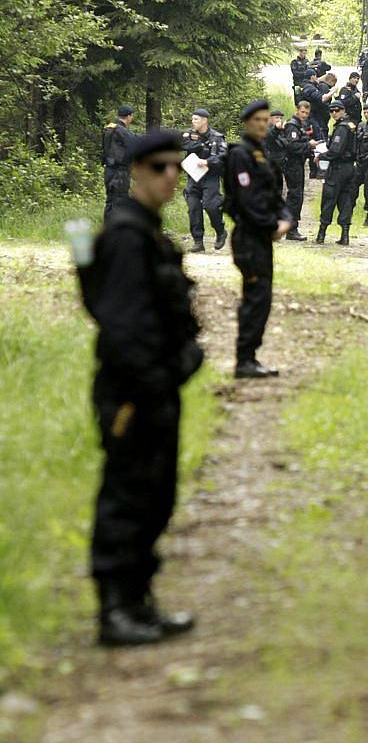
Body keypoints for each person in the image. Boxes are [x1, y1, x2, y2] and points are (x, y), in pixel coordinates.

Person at [78, 130, 204, 646]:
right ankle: (115, 610)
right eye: (159, 167)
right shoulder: (127, 235)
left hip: (156, 388)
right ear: (136, 171)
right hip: (133, 391)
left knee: (157, 495)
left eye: (176, 166)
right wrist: (154, 378)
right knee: (128, 493)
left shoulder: (148, 231)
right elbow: (120, 323)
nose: (170, 175)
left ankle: (140, 600)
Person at [224, 100, 293, 378]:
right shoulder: (240, 155)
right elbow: (246, 201)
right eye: (258, 120)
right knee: (255, 297)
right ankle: (244, 359)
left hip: (262, 237)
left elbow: (275, 195)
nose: (263, 124)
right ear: (247, 123)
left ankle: (250, 357)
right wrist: (271, 225)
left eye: (266, 120)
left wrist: (286, 218)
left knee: (262, 297)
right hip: (250, 236)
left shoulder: (262, 154)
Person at [181, 108, 228, 253]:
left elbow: (223, 156)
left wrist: (207, 162)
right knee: (193, 207)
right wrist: (200, 145)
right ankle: (198, 241)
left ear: (204, 120)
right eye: (192, 119)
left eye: (196, 119)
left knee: (211, 205)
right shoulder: (189, 135)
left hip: (210, 177)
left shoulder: (217, 137)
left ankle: (220, 231)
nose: (193, 121)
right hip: (194, 177)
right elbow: (183, 144)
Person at [315, 100, 357, 246]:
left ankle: (321, 234)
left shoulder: (342, 128)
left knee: (329, 198)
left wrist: (321, 156)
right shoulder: (350, 125)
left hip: (339, 168)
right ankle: (345, 235)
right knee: (345, 201)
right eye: (331, 111)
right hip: (349, 168)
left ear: (343, 111)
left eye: (337, 110)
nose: (334, 113)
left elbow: (335, 151)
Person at [283, 100, 317, 241]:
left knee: (297, 195)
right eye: (302, 112)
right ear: (297, 110)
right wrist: (308, 145)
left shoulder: (301, 125)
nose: (304, 115)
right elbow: (292, 146)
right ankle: (291, 229)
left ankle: (291, 227)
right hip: (292, 164)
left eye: (306, 113)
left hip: (298, 163)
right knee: (295, 196)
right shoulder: (292, 126)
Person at [101, 104, 137, 219]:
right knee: (120, 201)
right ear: (129, 116)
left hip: (109, 170)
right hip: (120, 172)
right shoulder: (121, 130)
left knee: (110, 201)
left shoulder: (108, 128)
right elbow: (135, 144)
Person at [301, 68, 337, 138]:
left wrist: (327, 76)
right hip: (311, 117)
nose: (317, 78)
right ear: (312, 77)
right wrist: (333, 91)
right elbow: (322, 99)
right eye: (315, 76)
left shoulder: (305, 85)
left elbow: (317, 80)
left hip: (308, 116)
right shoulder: (310, 87)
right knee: (318, 137)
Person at [263, 109, 287, 186]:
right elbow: (270, 137)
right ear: (270, 119)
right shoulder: (266, 129)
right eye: (277, 118)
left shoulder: (282, 130)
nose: (279, 120)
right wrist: (276, 129)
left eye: (280, 118)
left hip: (280, 162)